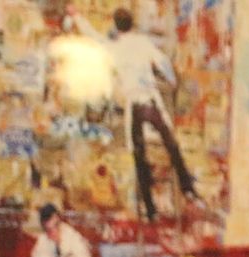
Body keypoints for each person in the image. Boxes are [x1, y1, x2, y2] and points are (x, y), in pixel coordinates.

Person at [67, 7, 201, 221]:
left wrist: (77, 17)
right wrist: (172, 81)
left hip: (135, 106)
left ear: (116, 26)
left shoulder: (115, 47)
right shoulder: (142, 43)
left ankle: (150, 210)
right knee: (171, 144)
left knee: (139, 157)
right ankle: (188, 188)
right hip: (150, 101)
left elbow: (93, 38)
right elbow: (163, 62)